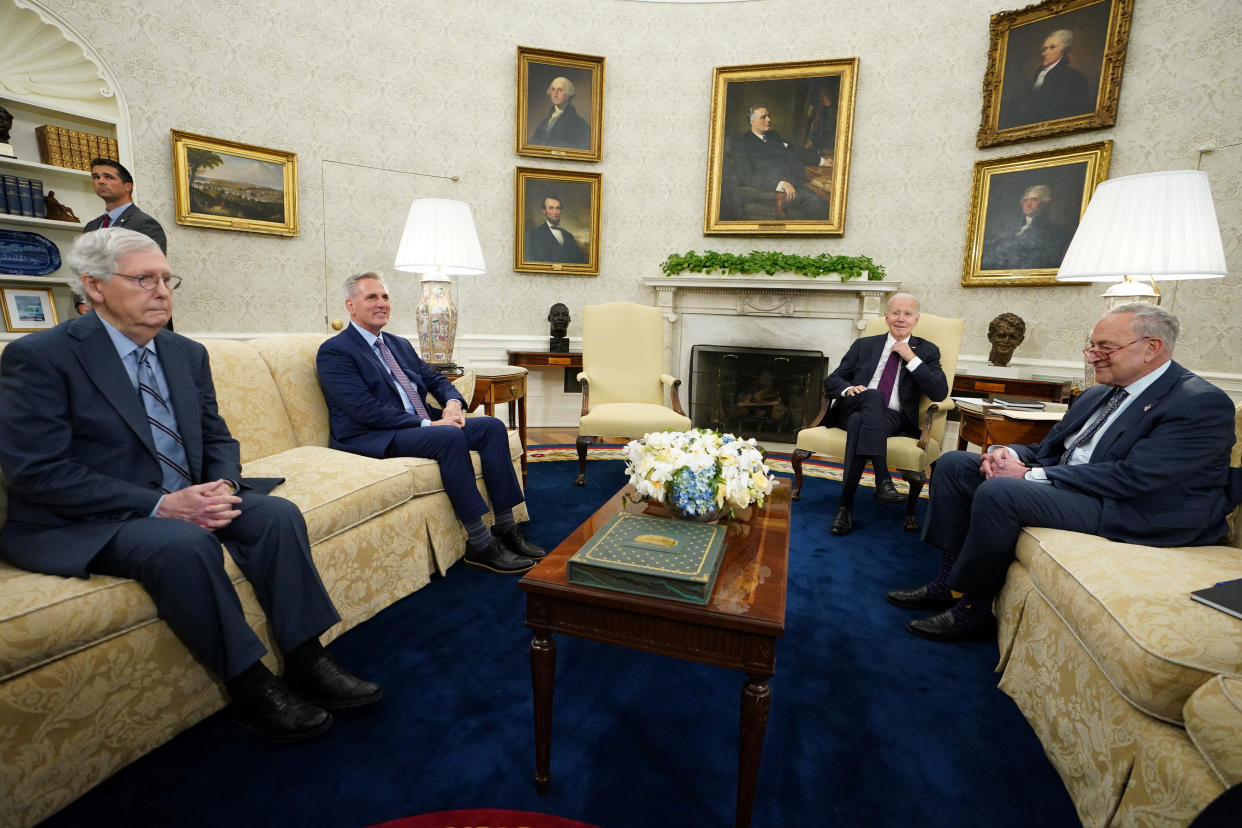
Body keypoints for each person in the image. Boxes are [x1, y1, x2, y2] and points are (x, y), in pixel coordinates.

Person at [0, 228, 380, 743]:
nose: (162, 291)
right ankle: (249, 687)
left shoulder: (184, 353)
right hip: (91, 517)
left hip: (188, 495)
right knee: (183, 544)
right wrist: (161, 505)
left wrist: (221, 485)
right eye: (143, 279)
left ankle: (306, 657)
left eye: (166, 279)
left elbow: (216, 435)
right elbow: (38, 471)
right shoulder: (41, 357)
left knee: (276, 515)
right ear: (94, 287)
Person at [888, 303, 1237, 642]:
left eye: (1105, 347)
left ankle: (973, 612)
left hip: (1136, 507)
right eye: (1092, 345)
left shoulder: (1197, 401)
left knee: (1001, 492)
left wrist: (1028, 476)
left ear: (1152, 348)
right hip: (1078, 488)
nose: (1091, 355)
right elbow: (1050, 452)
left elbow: (1137, 478)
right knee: (954, 464)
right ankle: (946, 582)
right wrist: (1006, 453)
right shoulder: (1099, 393)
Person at [316, 272, 545, 575]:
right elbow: (362, 409)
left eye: (385, 297)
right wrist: (428, 425)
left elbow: (434, 379)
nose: (381, 303)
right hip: (373, 435)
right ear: (351, 305)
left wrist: (451, 404)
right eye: (371, 297)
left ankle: (505, 526)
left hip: (417, 424)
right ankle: (479, 543)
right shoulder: (336, 351)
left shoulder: (397, 344)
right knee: (448, 438)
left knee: (490, 426)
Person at [821, 293, 949, 536]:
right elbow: (832, 380)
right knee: (872, 397)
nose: (901, 318)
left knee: (863, 422)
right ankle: (882, 479)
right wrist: (849, 389)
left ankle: (845, 507)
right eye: (896, 313)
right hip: (853, 407)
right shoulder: (864, 345)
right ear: (887, 317)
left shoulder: (928, 351)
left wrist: (910, 357)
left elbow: (939, 392)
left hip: (893, 418)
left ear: (916, 319)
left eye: (907, 314)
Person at [728, 104, 830, 220]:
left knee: (826, 194)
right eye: (763, 117)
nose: (769, 120)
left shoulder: (773, 136)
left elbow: (795, 151)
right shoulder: (742, 144)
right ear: (752, 121)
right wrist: (780, 184)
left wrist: (821, 161)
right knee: (818, 202)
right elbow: (745, 177)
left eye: (768, 116)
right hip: (773, 192)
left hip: (796, 183)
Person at [1002, 29, 1092, 128]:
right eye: (1044, 49)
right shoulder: (1032, 80)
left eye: (1052, 47)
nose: (1044, 53)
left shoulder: (1074, 78)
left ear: (1064, 50)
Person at [980, 184, 1071, 271]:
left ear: (1044, 204)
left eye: (1034, 200)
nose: (1028, 204)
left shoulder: (1055, 231)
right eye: (1025, 200)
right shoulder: (1012, 226)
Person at [83, 158, 167, 252]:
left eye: (108, 177)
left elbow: (153, 265)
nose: (100, 181)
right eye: (96, 177)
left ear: (128, 187)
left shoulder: (145, 225)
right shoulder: (90, 226)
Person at [529, 76, 590, 150]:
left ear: (568, 94)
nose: (555, 94)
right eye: (553, 89)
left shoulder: (579, 124)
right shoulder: (544, 123)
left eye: (560, 90)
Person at [524, 196, 588, 264]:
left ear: (561, 211)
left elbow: (580, 261)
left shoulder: (568, 236)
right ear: (544, 211)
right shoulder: (533, 235)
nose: (555, 212)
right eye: (551, 208)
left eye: (558, 208)